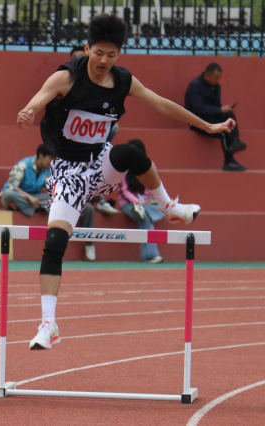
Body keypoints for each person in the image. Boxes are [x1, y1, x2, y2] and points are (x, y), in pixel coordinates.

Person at [16, 14, 234, 350]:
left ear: (119, 54)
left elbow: (162, 104)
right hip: (68, 172)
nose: (104, 61)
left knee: (130, 153)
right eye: (98, 53)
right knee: (55, 242)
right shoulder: (66, 77)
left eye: (111, 55)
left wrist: (207, 126)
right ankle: (49, 324)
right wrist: (28, 111)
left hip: (100, 163)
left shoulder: (123, 81)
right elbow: (38, 99)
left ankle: (168, 206)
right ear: (86, 49)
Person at [70, 45, 120, 216]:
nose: (78, 60)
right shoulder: (67, 78)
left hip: (93, 138)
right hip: (70, 139)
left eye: (110, 54)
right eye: (75, 58)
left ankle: (99, 199)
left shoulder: (107, 80)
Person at [185, 63, 247, 172]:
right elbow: (199, 108)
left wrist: (225, 110)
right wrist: (220, 110)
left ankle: (235, 141)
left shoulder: (216, 87)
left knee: (229, 116)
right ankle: (229, 161)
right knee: (222, 131)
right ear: (208, 75)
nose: (217, 81)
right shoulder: (195, 85)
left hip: (210, 118)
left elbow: (216, 107)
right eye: (216, 78)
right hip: (196, 120)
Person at [117, 139, 164, 263]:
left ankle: (149, 255)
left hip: (146, 203)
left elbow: (152, 185)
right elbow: (124, 190)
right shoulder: (123, 166)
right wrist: (137, 202)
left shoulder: (149, 165)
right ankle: (150, 255)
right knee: (144, 216)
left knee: (147, 214)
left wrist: (147, 201)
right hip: (128, 203)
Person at [0, 144, 54, 217]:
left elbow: (49, 190)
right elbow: (12, 186)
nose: (52, 161)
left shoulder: (48, 170)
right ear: (41, 156)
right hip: (19, 196)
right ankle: (37, 208)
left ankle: (27, 208)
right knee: (7, 194)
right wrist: (29, 197)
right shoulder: (23, 164)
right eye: (51, 158)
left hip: (35, 198)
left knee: (55, 197)